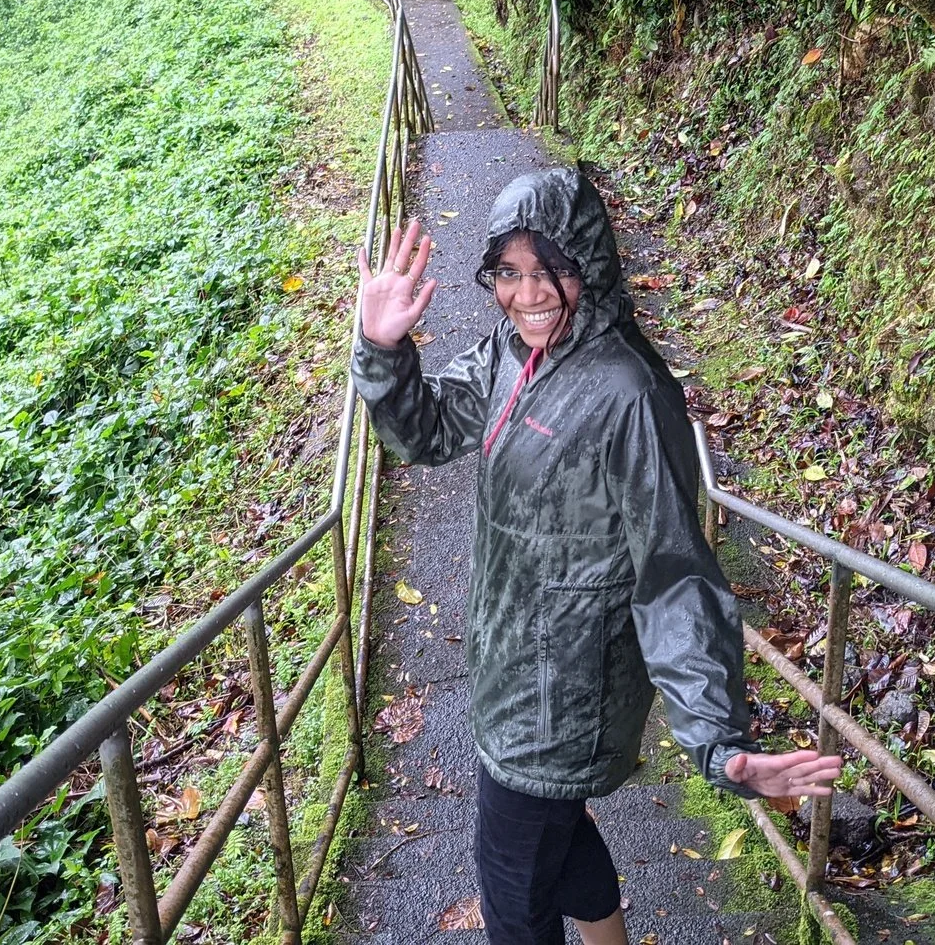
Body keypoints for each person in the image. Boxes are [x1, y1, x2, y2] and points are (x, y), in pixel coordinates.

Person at [354, 167, 843, 945]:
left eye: (550, 271)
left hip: (567, 698)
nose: (527, 294)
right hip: (509, 668)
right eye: (508, 273)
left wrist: (720, 741)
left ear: (593, 265)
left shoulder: (629, 394)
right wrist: (383, 349)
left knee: (514, 895)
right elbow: (423, 433)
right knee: (553, 838)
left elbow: (675, 577)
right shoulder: (511, 353)